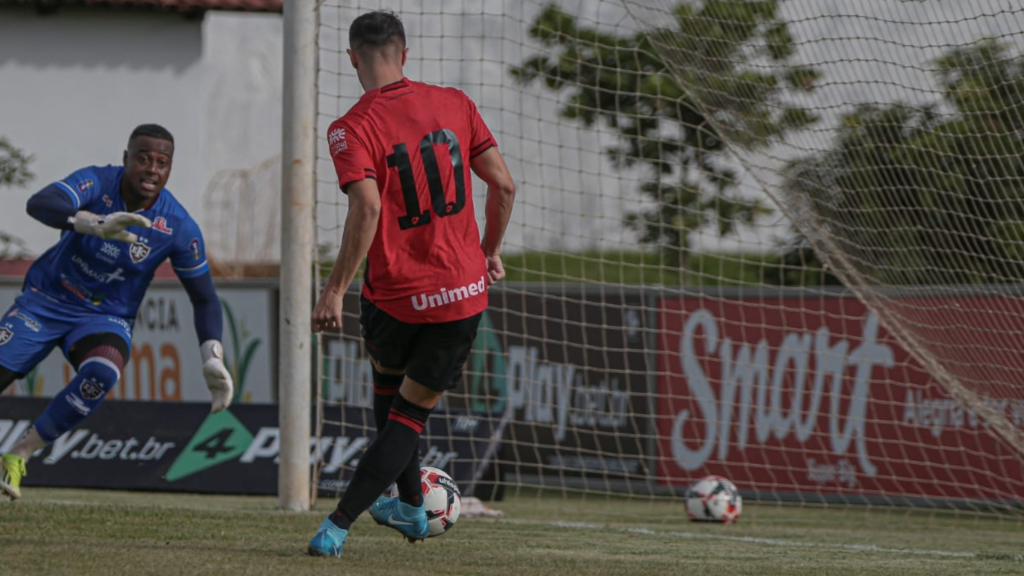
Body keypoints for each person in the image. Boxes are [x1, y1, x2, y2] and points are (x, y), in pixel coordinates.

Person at [307, 10, 516, 558]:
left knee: (387, 394)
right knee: (407, 413)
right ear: (406, 51)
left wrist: (333, 290)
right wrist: (489, 250)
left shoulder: (350, 127)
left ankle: (377, 515)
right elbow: (504, 185)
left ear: (353, 57)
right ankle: (367, 516)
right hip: (460, 295)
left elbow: (368, 205)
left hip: (393, 296)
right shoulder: (456, 103)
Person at [0, 124, 234, 501]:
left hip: (104, 317)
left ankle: (19, 452)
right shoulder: (97, 182)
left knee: (102, 373)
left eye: (162, 162)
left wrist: (212, 355)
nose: (152, 169)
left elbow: (205, 297)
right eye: (143, 159)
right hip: (46, 301)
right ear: (126, 160)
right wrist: (94, 224)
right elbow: (39, 203)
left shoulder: (177, 225)